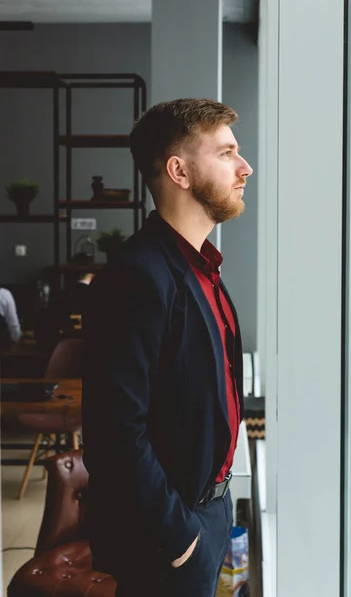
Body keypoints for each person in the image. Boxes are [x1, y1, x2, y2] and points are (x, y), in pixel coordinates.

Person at [82, 98, 253, 597]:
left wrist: (214, 517)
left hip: (209, 512)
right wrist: (180, 536)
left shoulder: (204, 269)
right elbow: (116, 434)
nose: (245, 168)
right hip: (167, 537)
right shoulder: (136, 277)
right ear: (179, 170)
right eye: (226, 153)